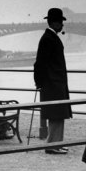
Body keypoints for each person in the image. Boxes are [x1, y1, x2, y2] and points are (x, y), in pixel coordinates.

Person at [34, 8, 72, 155]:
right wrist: (39, 83)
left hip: (55, 83)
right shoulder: (48, 39)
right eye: (61, 22)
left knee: (59, 114)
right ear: (55, 23)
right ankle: (52, 145)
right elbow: (40, 64)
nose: (62, 25)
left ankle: (57, 143)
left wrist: (39, 82)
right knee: (56, 114)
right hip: (53, 84)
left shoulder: (50, 37)